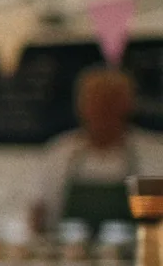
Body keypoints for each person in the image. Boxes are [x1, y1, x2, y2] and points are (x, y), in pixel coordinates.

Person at [32, 65, 163, 233]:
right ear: (80, 108)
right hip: (70, 255)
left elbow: (155, 225)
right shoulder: (61, 152)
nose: (100, 112)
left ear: (127, 107)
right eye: (93, 103)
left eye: (109, 104)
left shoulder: (151, 154)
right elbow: (40, 211)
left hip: (134, 256)